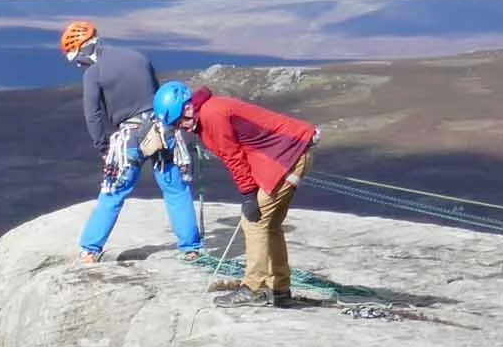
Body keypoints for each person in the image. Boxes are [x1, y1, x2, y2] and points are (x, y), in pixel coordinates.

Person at [152, 80, 318, 307]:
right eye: (176, 124)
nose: (181, 127)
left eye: (180, 121)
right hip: (292, 154)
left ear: (188, 107)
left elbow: (234, 157)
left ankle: (254, 288)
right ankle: (279, 288)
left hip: (288, 156)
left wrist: (248, 194)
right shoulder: (209, 112)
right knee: (270, 225)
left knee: (253, 222)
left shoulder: (212, 115)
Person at [58, 21, 203, 268]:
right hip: (162, 131)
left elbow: (92, 116)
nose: (80, 65)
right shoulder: (137, 57)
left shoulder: (94, 73)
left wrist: (103, 148)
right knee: (176, 189)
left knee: (113, 193)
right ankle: (191, 249)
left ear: (83, 50)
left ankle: (90, 251)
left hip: (129, 137)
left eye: (78, 60)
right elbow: (160, 96)